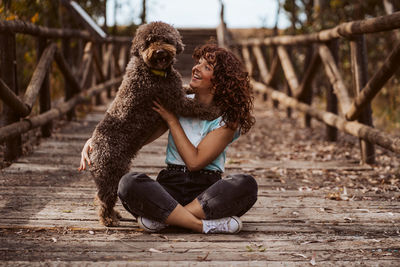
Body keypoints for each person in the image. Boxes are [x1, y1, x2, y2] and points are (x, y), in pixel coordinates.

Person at [79, 43, 258, 234]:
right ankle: (202, 225)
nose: (196, 68)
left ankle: (166, 218)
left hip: (206, 191)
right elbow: (136, 136)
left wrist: (172, 120)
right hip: (169, 187)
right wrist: (100, 140)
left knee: (246, 184)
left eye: (206, 67)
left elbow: (195, 162)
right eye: (198, 62)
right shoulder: (177, 102)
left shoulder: (227, 119)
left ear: (220, 81)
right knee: (128, 183)